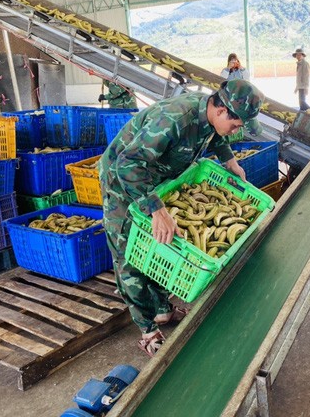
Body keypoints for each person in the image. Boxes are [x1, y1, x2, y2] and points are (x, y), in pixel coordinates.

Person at [98, 79, 265, 357]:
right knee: (129, 253)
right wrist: (156, 209)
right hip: (124, 181)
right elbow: (126, 164)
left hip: (157, 179)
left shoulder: (210, 114)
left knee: (165, 242)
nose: (237, 131)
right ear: (222, 111)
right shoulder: (174, 119)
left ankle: (163, 310)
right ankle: (147, 329)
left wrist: (229, 160)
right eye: (236, 125)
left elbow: (217, 135)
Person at [292, 48, 310, 112]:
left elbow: (306, 77)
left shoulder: (305, 64)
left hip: (303, 86)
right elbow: (299, 77)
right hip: (300, 86)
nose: (298, 56)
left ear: (303, 55)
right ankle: (302, 113)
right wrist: (297, 87)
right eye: (297, 55)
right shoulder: (299, 64)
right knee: (301, 103)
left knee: (302, 102)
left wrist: (306, 87)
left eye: (300, 55)